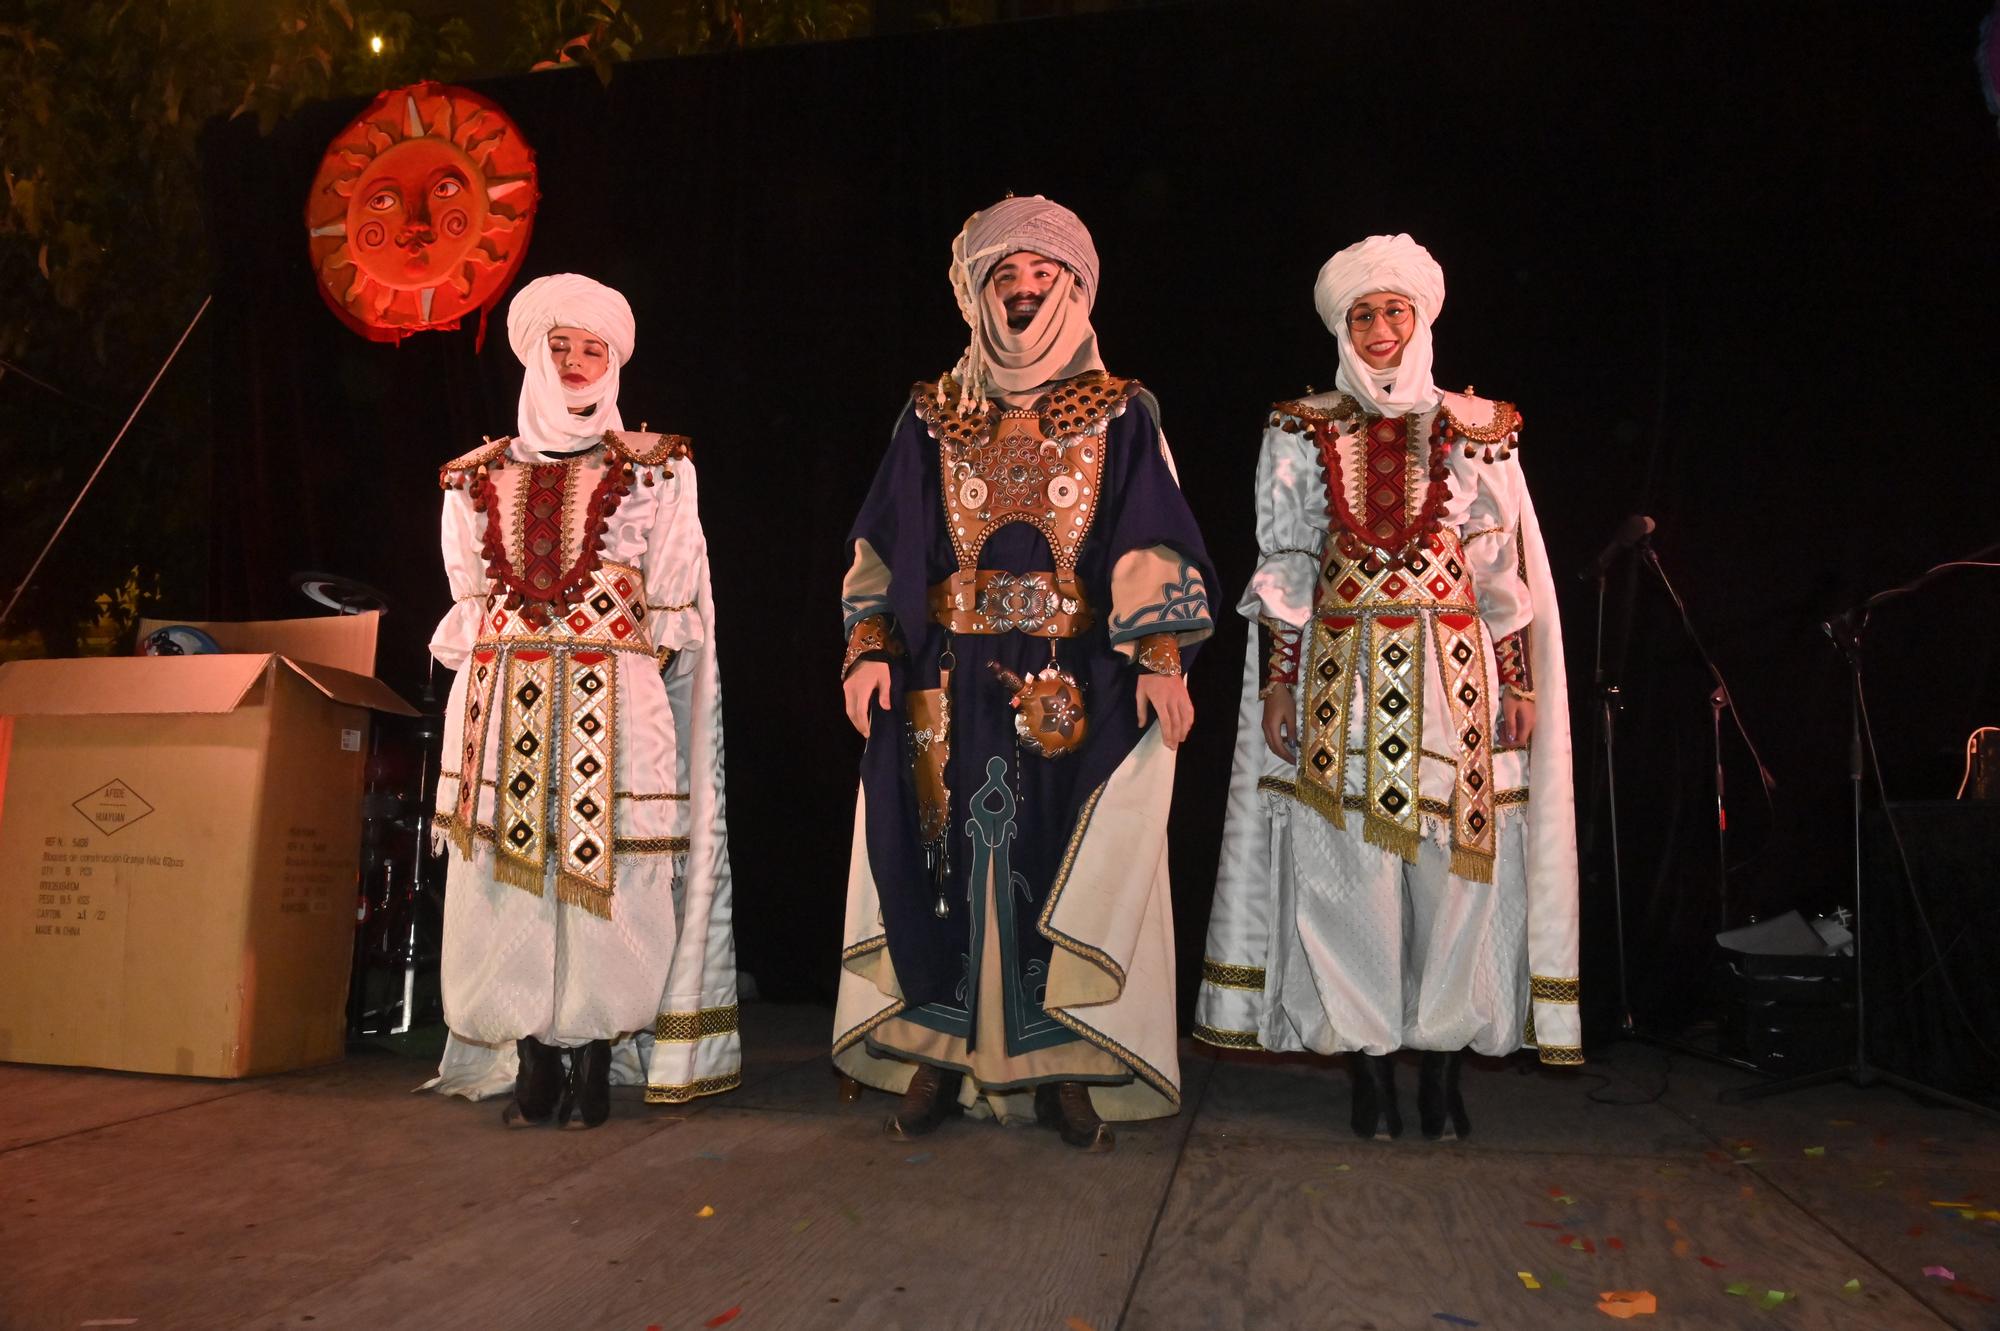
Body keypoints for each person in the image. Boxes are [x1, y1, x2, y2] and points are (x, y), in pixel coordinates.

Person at [832, 196, 1215, 1152]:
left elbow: (1150, 534)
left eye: (1042, 277)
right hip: (945, 680)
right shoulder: (933, 414)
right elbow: (881, 545)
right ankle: (939, 1054)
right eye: (1004, 276)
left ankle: (1067, 1068)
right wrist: (869, 646)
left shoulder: (1121, 412)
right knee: (940, 860)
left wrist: (1161, 657)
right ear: (976, 292)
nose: (1023, 292)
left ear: (1075, 289)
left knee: (1061, 860)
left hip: (1072, 680)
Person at [1194, 234, 1579, 1141]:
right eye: (1361, 313)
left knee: (1456, 878)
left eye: (1393, 311)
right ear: (1341, 326)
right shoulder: (1300, 425)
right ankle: (1369, 1071)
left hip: (1456, 680)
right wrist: (1281, 687)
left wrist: (1517, 679)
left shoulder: (1479, 425)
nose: (1378, 327)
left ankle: (1442, 1072)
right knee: (1346, 879)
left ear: (1422, 319)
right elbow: (1286, 560)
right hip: (1344, 680)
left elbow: (1498, 560)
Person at [424, 273, 738, 1128]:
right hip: (502, 700)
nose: (573, 362)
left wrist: (596, 655)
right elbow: (468, 596)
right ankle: (531, 1050)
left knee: (613, 878)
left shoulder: (658, 468)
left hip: (613, 697)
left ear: (613, 361)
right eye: (558, 347)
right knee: (504, 879)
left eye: (590, 348)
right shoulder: (470, 476)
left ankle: (597, 1051)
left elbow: (675, 605)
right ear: (532, 354)